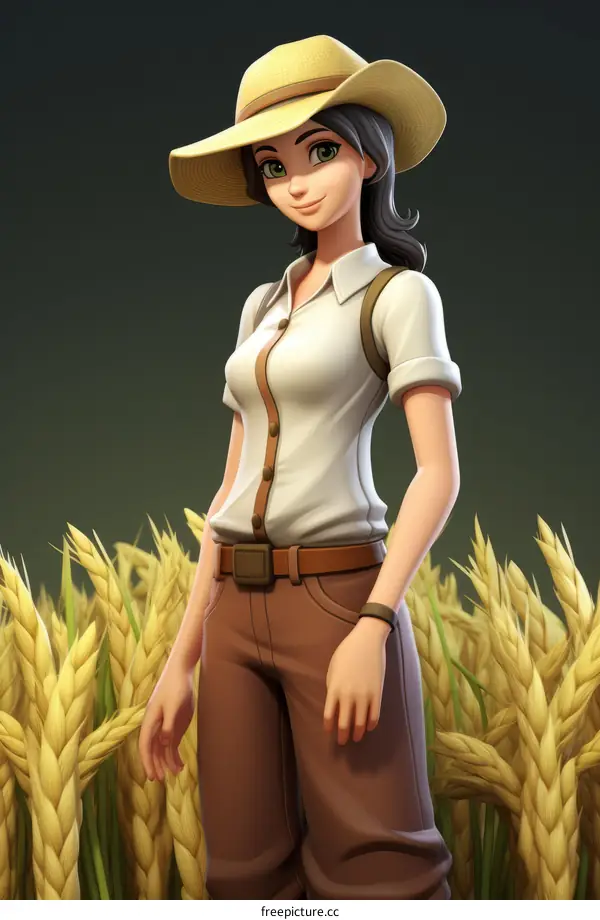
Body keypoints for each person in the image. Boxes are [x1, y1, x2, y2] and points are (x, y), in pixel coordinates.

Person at [139, 34, 462, 900]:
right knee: (245, 870)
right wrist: (184, 658)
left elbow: (437, 473)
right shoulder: (263, 304)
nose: (299, 180)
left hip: (337, 597)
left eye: (319, 150)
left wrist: (373, 622)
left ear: (367, 151)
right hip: (236, 610)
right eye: (274, 165)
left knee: (379, 862)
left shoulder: (399, 294)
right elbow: (230, 488)